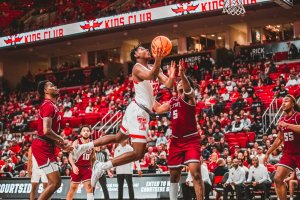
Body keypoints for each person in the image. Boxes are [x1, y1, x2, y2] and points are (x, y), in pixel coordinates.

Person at [72, 45, 176, 187]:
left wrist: (172, 76)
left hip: (137, 108)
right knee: (138, 153)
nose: (146, 49)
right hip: (138, 111)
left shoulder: (153, 67)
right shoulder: (137, 67)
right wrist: (159, 59)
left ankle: (85, 146)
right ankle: (102, 166)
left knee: (118, 138)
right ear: (136, 56)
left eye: (146, 49)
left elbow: (168, 84)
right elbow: (151, 74)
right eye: (142, 49)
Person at [154, 59, 204, 200]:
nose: (180, 83)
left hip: (191, 139)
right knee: (174, 175)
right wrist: (147, 93)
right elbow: (157, 108)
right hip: (176, 141)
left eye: (182, 81)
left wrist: (182, 74)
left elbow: (188, 89)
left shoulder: (189, 98)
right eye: (179, 82)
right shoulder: (172, 101)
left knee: (195, 173)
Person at [31, 80, 73, 200]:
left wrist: (61, 146)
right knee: (55, 182)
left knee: (55, 183)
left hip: (47, 145)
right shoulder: (48, 105)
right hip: (42, 146)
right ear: (45, 91)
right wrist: (62, 139)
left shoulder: (52, 105)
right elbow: (46, 131)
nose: (55, 87)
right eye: (51, 86)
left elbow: (48, 134)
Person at [264, 94, 300, 200]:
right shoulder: (282, 120)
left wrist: (287, 125)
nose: (283, 103)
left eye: (287, 101)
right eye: (283, 101)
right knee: (278, 179)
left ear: (293, 103)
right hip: (288, 154)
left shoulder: (297, 116)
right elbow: (279, 139)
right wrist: (268, 152)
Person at [66, 126, 94, 200]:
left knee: (89, 187)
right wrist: (73, 166)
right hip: (77, 167)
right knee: (73, 188)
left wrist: (93, 167)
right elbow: (70, 156)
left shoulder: (92, 143)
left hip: (87, 168)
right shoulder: (76, 142)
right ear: (81, 133)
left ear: (90, 132)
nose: (86, 132)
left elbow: (93, 156)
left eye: (88, 131)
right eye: (84, 130)